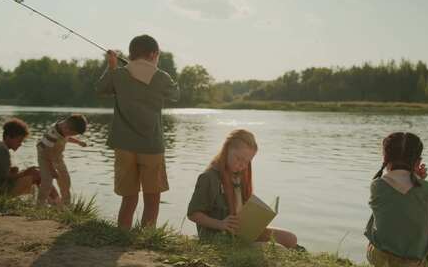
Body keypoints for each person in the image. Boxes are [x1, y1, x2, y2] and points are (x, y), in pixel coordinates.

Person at [96, 34, 179, 229]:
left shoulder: (118, 74)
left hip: (124, 146)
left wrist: (112, 66)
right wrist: (157, 72)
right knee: (152, 199)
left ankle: (122, 235)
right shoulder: (161, 76)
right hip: (152, 146)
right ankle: (146, 239)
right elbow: (175, 95)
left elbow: (101, 89)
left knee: (129, 197)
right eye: (157, 56)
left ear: (131, 54)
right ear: (153, 54)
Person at [187, 129, 298, 249]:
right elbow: (193, 214)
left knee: (290, 239)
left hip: (241, 231)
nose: (242, 165)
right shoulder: (208, 178)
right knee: (279, 249)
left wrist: (258, 220)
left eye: (247, 162)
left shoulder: (239, 175)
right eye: (239, 159)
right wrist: (221, 224)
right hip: (219, 237)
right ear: (226, 150)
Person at [365, 132, 428, 267]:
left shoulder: (376, 185)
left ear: (385, 157)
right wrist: (419, 180)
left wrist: (416, 178)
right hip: (415, 264)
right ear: (418, 161)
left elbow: (399, 200)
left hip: (378, 258)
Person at [0, 118, 40, 196]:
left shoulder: (0, 148)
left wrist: (15, 171)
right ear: (8, 137)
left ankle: (45, 202)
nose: (20, 144)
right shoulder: (1, 151)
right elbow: (3, 177)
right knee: (37, 175)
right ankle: (53, 202)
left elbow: (2, 174)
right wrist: (25, 172)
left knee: (35, 173)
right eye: (19, 140)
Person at [36, 114, 88, 206]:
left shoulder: (64, 129)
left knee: (65, 180)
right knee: (47, 182)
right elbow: (46, 154)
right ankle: (39, 205)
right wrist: (52, 170)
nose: (70, 135)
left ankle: (66, 205)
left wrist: (78, 142)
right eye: (72, 133)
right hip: (44, 157)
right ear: (66, 128)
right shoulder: (52, 134)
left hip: (57, 157)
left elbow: (67, 138)